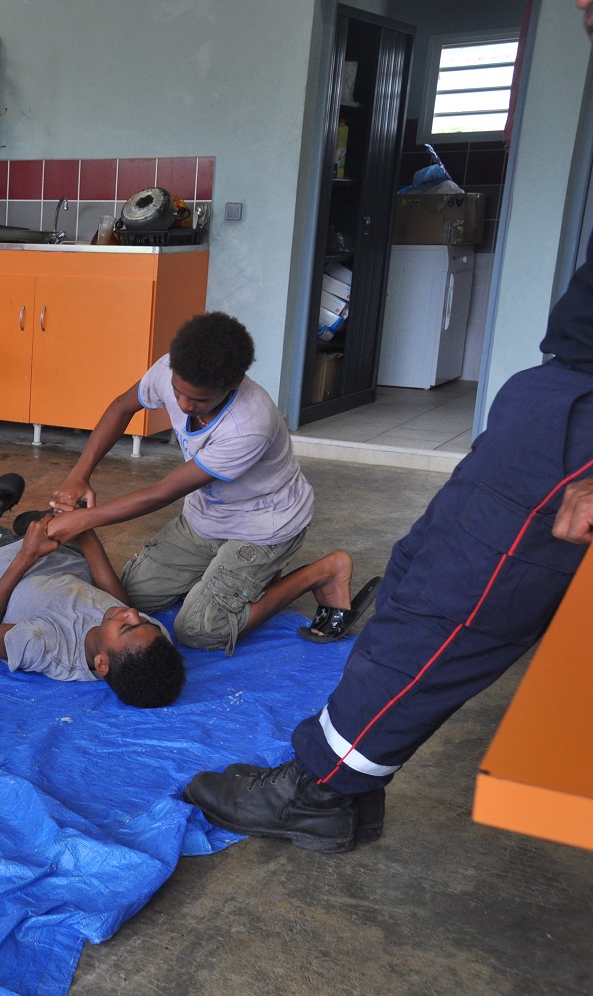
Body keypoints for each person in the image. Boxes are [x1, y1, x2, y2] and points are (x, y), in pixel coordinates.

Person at [184, 0, 593, 851]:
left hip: (579, 427)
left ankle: (322, 789)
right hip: (560, 392)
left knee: (457, 597)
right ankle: (348, 782)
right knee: (418, 569)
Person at [42, 312, 377, 654]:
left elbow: (163, 492)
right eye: (178, 392)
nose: (184, 404)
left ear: (233, 384)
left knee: (200, 629)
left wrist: (84, 520)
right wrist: (79, 474)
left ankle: (322, 572)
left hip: (263, 526)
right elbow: (121, 407)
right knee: (126, 598)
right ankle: (251, 579)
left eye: (200, 400)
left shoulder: (249, 423)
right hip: (206, 518)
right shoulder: (171, 368)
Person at [0, 473, 186, 708]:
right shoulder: (152, 641)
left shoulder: (45, 644)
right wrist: (85, 528)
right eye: (143, 621)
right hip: (62, 558)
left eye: (127, 626)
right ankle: (36, 524)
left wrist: (26, 554)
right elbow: (118, 602)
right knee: (62, 524)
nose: (133, 613)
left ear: (101, 664)